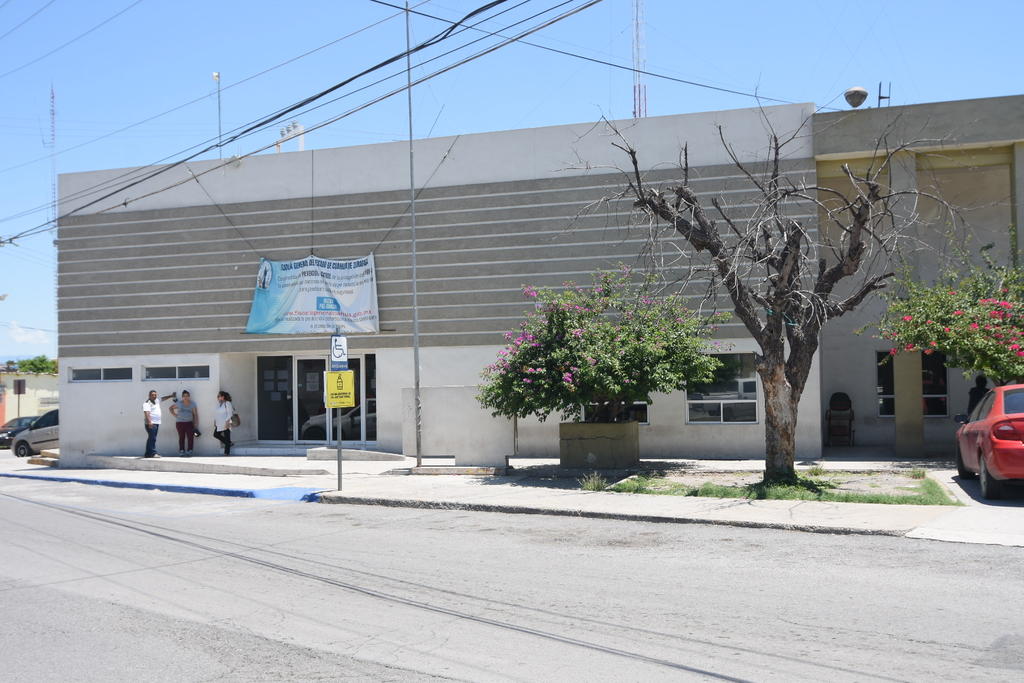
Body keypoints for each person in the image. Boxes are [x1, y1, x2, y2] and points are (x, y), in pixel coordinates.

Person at [142, 389, 177, 458]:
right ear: (149, 395)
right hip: (151, 423)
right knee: (152, 438)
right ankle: (153, 453)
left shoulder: (156, 401)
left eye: (155, 395)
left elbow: (163, 399)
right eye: (152, 395)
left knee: (151, 438)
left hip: (156, 423)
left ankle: (147, 454)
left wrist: (171, 396)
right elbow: (146, 413)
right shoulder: (146, 403)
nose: (154, 396)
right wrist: (150, 422)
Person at [169, 390, 199, 457]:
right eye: (184, 396)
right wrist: (175, 415)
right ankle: (181, 451)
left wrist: (196, 424)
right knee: (181, 437)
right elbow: (170, 408)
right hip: (180, 423)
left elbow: (195, 414)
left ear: (189, 396)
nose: (186, 397)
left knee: (190, 437)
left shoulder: (192, 404)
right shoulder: (179, 403)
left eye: (187, 396)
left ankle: (190, 451)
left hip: (189, 423)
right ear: (182, 397)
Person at [213, 390, 235, 456]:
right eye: (217, 396)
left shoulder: (227, 403)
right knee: (216, 434)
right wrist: (215, 421)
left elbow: (230, 413)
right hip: (219, 423)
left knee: (227, 437)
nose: (218, 397)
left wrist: (227, 422)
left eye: (219, 396)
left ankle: (226, 452)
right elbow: (216, 414)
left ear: (223, 397)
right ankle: (229, 443)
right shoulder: (219, 404)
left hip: (226, 422)